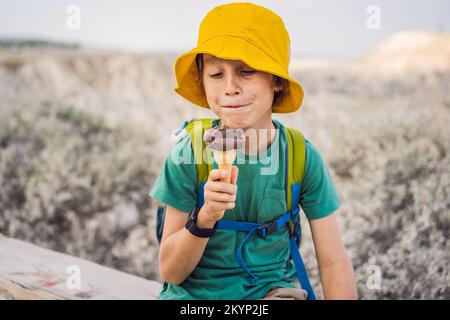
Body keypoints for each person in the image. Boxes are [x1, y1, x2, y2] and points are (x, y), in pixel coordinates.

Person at [149, 2, 357, 300]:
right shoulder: (188, 155)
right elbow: (170, 272)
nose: (230, 87)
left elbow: (334, 261)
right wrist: (205, 217)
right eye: (216, 74)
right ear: (203, 80)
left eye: (246, 71)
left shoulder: (300, 157)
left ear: (277, 82)